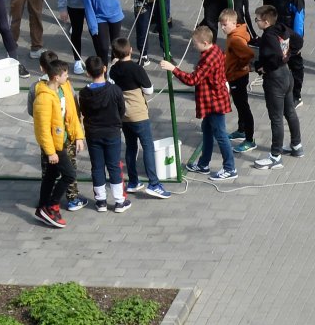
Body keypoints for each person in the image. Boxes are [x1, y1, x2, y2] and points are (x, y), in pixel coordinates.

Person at [161, 25, 237, 180]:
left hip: (214, 102)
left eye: (195, 43)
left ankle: (230, 168)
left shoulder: (207, 59)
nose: (194, 46)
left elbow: (192, 80)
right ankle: (203, 164)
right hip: (213, 99)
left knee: (220, 134)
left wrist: (173, 69)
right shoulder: (214, 49)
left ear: (204, 42)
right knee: (207, 130)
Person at [109, 38, 168, 199]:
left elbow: (110, 83)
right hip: (139, 114)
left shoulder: (113, 70)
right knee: (147, 147)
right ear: (131, 50)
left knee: (130, 147)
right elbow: (149, 90)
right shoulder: (136, 68)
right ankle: (154, 183)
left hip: (123, 115)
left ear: (114, 53)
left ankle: (134, 181)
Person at [30, 51, 82, 229]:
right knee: (69, 174)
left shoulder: (64, 88)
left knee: (51, 175)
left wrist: (79, 135)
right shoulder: (44, 97)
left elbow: (73, 113)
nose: (68, 76)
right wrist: (50, 151)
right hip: (54, 144)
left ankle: (43, 206)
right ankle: (52, 205)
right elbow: (43, 128)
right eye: (65, 74)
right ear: (56, 77)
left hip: (63, 139)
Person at [249, 3, 303, 169]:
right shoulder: (282, 28)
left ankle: (275, 156)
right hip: (287, 75)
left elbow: (274, 57)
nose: (256, 22)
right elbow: (298, 41)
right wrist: (288, 57)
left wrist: (260, 67)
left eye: (257, 20)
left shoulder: (268, 37)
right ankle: (296, 146)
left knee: (276, 118)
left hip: (275, 80)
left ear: (265, 22)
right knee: (290, 112)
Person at [75, 55, 130, 213]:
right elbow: (121, 110)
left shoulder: (84, 93)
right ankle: (119, 201)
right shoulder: (115, 90)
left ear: (87, 73)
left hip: (93, 133)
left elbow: (84, 112)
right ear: (104, 69)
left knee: (97, 167)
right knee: (114, 166)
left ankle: (101, 201)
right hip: (112, 132)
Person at [266, 0, 308, 107]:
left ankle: (297, 95)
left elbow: (299, 19)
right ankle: (283, 90)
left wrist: (296, 41)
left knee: (295, 66)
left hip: (290, 37)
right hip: (280, 32)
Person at [218, 8, 256, 153]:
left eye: (225, 25)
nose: (222, 28)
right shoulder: (233, 35)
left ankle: (250, 139)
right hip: (236, 75)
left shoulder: (234, 39)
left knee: (243, 107)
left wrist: (239, 66)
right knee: (240, 105)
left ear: (234, 23)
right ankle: (241, 129)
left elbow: (248, 54)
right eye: (221, 25)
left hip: (237, 76)